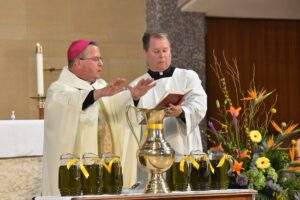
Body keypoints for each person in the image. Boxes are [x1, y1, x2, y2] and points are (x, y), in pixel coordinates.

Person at [42, 39, 154, 195]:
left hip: (105, 169)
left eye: (101, 59)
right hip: (77, 174)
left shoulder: (101, 86)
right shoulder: (58, 89)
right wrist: (97, 95)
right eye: (95, 59)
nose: (101, 63)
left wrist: (133, 96)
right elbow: (70, 106)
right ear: (77, 63)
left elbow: (117, 110)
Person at [131, 32, 207, 155]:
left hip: (184, 147)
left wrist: (182, 112)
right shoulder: (137, 86)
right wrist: (135, 99)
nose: (162, 55)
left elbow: (199, 105)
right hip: (152, 153)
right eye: (156, 51)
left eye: (165, 50)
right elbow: (131, 120)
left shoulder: (188, 77)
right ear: (145, 53)